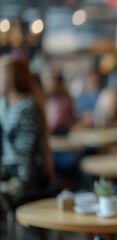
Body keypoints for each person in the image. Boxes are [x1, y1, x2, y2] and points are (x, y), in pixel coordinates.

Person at [0, 56, 54, 206]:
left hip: (28, 178)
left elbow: (25, 154)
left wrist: (18, 184)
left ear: (12, 79)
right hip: (7, 173)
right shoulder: (4, 106)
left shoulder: (27, 108)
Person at [40, 66, 74, 135]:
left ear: (58, 83)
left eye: (48, 80)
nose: (45, 84)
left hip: (59, 137)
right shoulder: (48, 99)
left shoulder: (64, 101)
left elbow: (55, 123)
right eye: (45, 80)